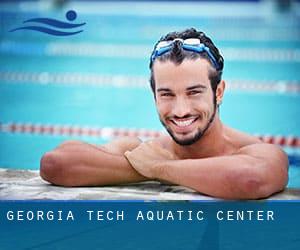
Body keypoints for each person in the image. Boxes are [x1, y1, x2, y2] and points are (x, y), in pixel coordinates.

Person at [40, 28, 288, 199]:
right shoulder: (141, 149)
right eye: (167, 94)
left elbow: (249, 180)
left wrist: (161, 168)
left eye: (194, 93)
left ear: (219, 91)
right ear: (154, 95)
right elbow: (56, 164)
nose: (180, 111)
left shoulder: (255, 151)